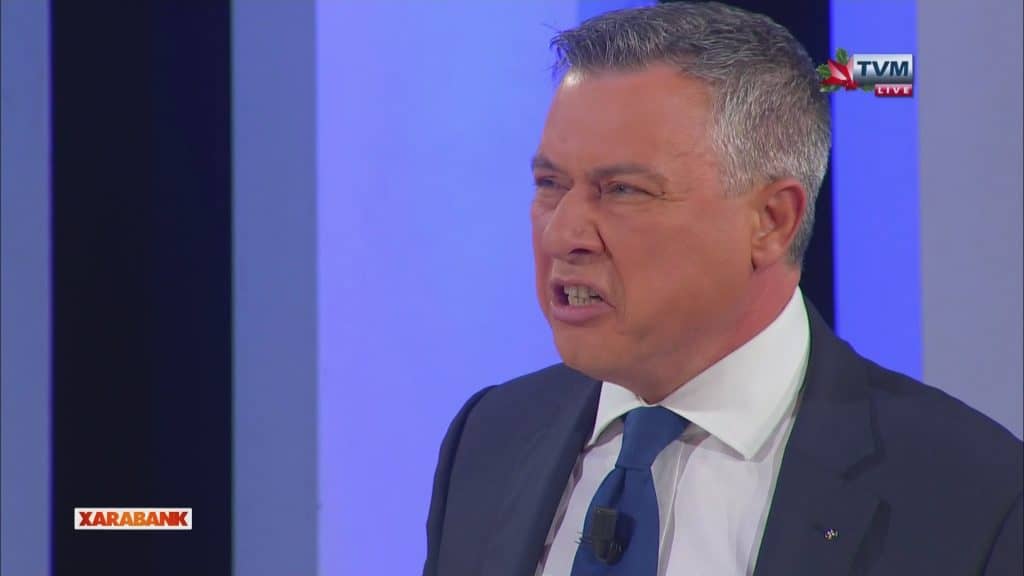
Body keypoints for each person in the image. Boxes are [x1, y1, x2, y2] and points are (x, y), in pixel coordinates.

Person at [423, 3, 1022, 575]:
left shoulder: (971, 496)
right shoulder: (490, 437)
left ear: (771, 222)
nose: (562, 234)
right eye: (550, 183)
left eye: (623, 190)